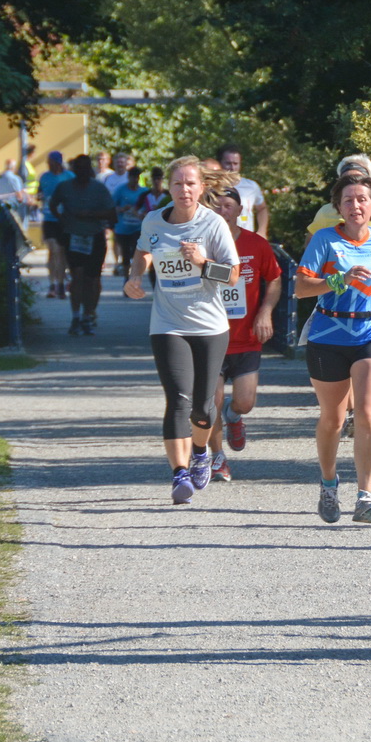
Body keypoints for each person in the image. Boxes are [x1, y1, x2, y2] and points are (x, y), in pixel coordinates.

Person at [124, 158, 240, 504]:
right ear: (169, 188)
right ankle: (179, 475)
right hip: (167, 324)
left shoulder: (213, 224)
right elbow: (143, 251)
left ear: (202, 187)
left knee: (202, 408)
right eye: (178, 184)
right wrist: (134, 275)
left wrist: (203, 263)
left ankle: (201, 452)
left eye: (191, 184)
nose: (184, 190)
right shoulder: (153, 220)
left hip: (209, 325)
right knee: (177, 399)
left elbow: (233, 276)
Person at [296, 169, 371, 523]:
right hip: (328, 335)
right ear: (339, 207)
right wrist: (338, 280)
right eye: (348, 200)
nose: (355, 205)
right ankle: (328, 483)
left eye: (362, 200)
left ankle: (366, 495)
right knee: (333, 419)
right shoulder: (325, 239)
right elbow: (301, 288)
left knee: (368, 410)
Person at [204, 184, 281, 482]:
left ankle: (234, 417)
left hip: (246, 337)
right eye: (217, 206)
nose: (223, 211)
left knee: (245, 402)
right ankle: (217, 458)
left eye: (228, 206)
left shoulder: (256, 244)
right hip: (211, 336)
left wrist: (265, 311)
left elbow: (274, 279)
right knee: (212, 399)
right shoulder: (202, 244)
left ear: (240, 211)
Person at [48, 156, 117, 335]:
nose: (82, 171)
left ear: (90, 170)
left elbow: (111, 213)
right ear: (74, 170)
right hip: (73, 237)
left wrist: (92, 214)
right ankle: (76, 316)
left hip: (94, 237)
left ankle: (89, 314)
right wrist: (62, 219)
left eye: (85, 168)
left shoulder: (99, 188)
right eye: (78, 168)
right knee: (77, 276)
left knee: (92, 279)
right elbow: (53, 204)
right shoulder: (65, 187)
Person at [308, 154, 371, 253]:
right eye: (346, 181)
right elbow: (310, 247)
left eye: (358, 179)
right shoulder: (325, 212)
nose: (353, 185)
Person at [37, 150, 73, 299]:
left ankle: (60, 283)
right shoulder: (44, 177)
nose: (49, 165)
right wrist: (39, 197)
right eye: (48, 163)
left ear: (58, 163)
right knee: (53, 249)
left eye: (52, 162)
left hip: (64, 219)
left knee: (62, 252)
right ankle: (53, 284)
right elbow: (40, 193)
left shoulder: (69, 177)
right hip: (49, 218)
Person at [218, 145, 269, 236]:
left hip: (245, 239)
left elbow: (262, 209)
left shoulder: (251, 186)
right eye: (228, 163)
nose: (232, 168)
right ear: (220, 163)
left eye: (235, 163)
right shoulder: (212, 186)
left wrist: (262, 231)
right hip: (219, 238)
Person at [111, 165, 147, 277]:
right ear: (128, 177)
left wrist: (142, 214)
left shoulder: (144, 192)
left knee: (135, 252)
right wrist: (122, 209)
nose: (135, 180)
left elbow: (149, 209)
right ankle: (126, 277)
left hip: (138, 228)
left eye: (137, 177)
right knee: (126, 254)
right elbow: (112, 207)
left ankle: (135, 277)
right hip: (122, 228)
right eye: (132, 177)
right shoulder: (120, 190)